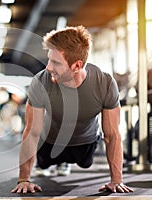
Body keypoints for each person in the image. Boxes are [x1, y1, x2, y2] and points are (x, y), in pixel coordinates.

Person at [11, 26, 134, 194]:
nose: (48, 67)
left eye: (55, 62)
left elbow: (112, 135)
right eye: (49, 60)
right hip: (50, 143)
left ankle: (66, 161)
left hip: (85, 143)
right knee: (45, 162)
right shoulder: (41, 82)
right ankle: (54, 162)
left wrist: (116, 180)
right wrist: (24, 179)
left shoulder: (104, 82)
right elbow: (32, 133)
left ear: (77, 65)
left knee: (85, 163)